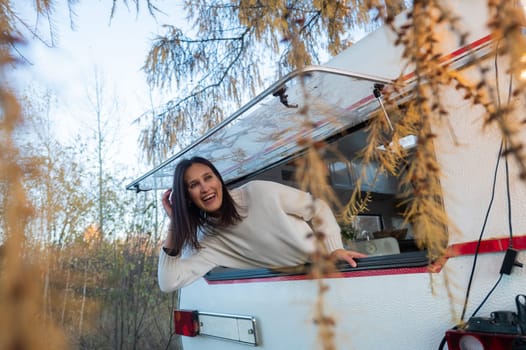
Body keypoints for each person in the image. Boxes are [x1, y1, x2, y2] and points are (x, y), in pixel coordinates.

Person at [158, 156, 367, 292]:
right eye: (194, 185)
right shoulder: (207, 240)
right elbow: (169, 282)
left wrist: (335, 248)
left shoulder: (258, 192)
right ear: (187, 197)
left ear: (219, 180)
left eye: (208, 178)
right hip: (295, 286)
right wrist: (175, 225)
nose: (205, 188)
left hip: (332, 269)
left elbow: (317, 207)